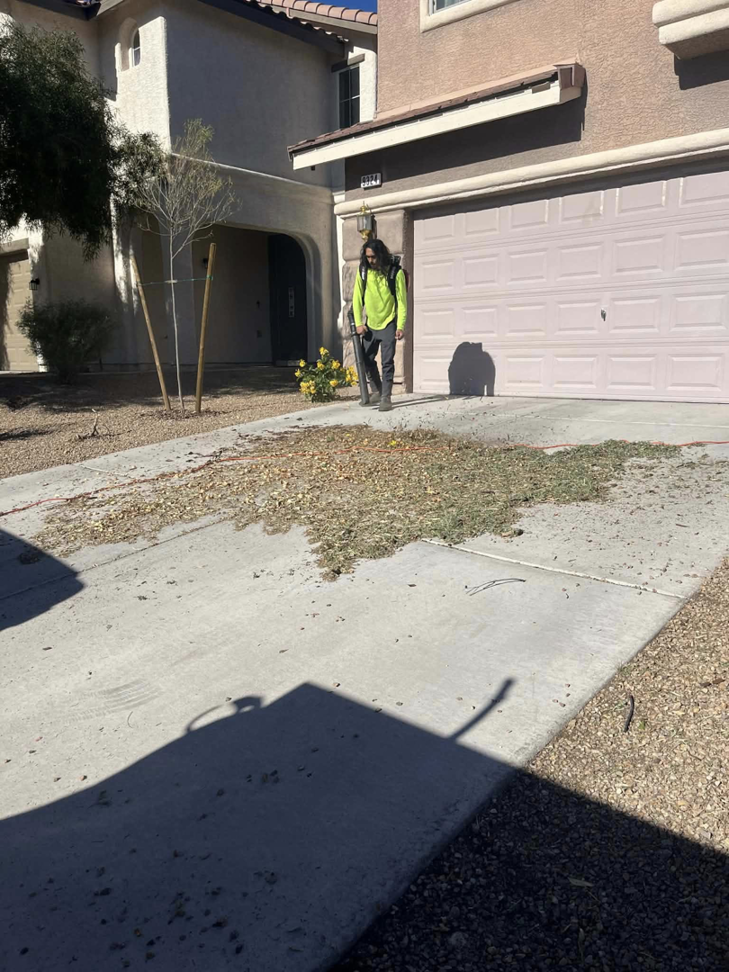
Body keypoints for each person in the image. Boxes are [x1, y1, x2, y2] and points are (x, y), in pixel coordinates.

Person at [352, 238, 407, 413]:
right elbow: (356, 298)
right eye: (367, 257)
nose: (371, 261)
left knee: (387, 362)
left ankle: (386, 398)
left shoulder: (395, 272)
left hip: (388, 323)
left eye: (373, 257)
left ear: (381, 255)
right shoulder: (363, 271)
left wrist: (400, 325)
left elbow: (402, 302)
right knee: (366, 359)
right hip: (370, 324)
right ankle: (376, 389)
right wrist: (359, 323)